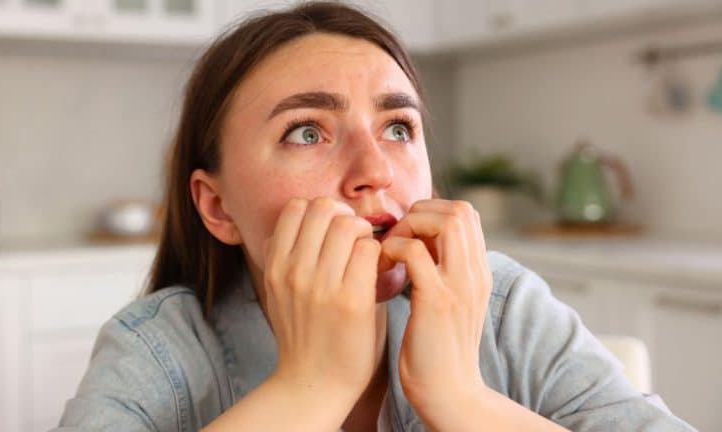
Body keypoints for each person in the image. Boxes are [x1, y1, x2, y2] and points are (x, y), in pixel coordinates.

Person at [54, 2, 697, 431]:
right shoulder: (155, 352)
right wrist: (311, 387)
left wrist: (460, 398)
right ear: (217, 207)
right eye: (307, 132)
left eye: (398, 127)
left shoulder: (506, 308)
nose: (376, 171)